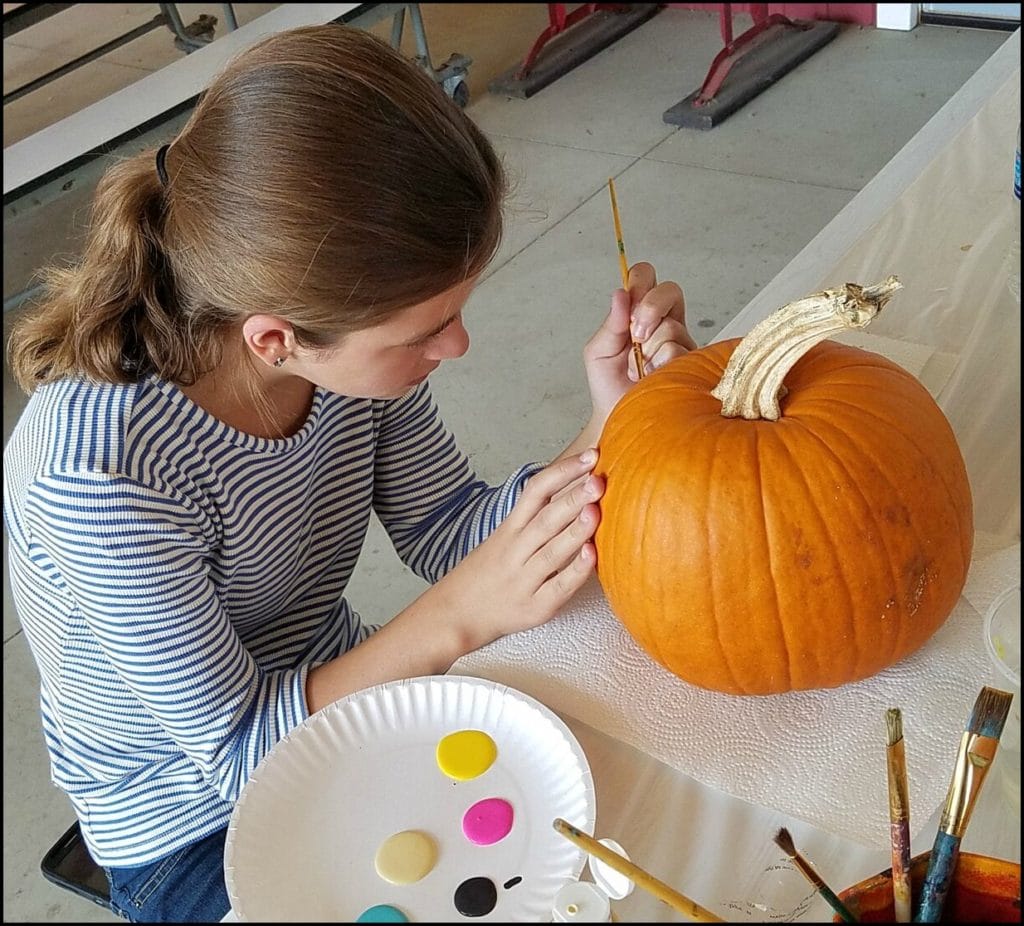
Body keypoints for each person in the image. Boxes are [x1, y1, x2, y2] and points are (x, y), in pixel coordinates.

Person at [3, 23, 695, 924]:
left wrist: (618, 421)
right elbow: (248, 753)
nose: (457, 346)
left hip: (355, 711)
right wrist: (461, 615)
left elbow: (448, 524)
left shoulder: (340, 353)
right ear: (276, 339)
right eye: (423, 334)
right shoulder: (96, 473)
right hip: (192, 823)